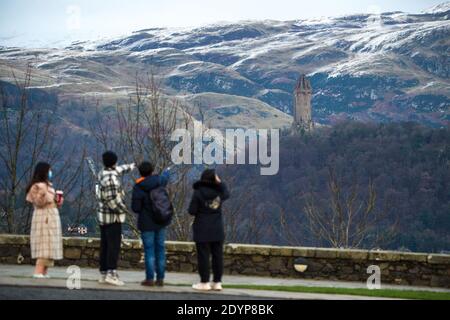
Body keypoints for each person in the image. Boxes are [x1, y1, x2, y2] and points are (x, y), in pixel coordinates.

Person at [97, 151, 135, 286]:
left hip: (103, 217)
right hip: (113, 218)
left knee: (105, 245)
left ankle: (103, 272)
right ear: (114, 162)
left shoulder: (103, 173)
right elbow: (112, 200)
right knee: (113, 246)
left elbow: (119, 169)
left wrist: (131, 166)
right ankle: (111, 273)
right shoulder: (111, 179)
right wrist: (124, 209)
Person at [188, 169, 230, 291]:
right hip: (217, 228)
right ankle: (217, 282)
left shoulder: (198, 193)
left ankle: (204, 282)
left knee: (203, 256)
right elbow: (226, 193)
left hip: (202, 228)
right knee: (218, 256)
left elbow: (192, 211)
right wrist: (220, 182)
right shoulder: (218, 193)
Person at [131, 162, 171, 287]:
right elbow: (165, 177)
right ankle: (160, 279)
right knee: (160, 250)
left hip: (146, 223)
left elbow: (136, 208)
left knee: (149, 251)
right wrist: (167, 170)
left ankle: (150, 279)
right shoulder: (159, 181)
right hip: (160, 221)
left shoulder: (138, 187)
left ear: (140, 172)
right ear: (152, 170)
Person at [25, 162, 64, 278]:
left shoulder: (48, 186)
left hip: (51, 216)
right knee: (44, 244)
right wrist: (44, 193)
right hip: (44, 218)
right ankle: (38, 272)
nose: (50, 173)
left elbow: (50, 201)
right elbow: (38, 202)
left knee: (50, 244)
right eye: (49, 170)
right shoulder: (37, 186)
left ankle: (44, 272)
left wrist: (58, 201)